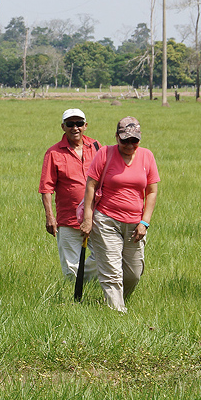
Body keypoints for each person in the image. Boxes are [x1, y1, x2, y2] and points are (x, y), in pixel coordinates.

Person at [80, 117, 159, 313]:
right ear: (117, 137)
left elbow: (152, 191)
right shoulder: (105, 154)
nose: (130, 145)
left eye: (134, 140)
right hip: (106, 220)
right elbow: (90, 186)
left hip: (135, 224)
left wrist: (145, 222)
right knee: (112, 272)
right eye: (125, 140)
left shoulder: (147, 156)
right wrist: (88, 219)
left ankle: (117, 300)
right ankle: (117, 314)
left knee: (133, 274)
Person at [39, 108, 100, 281]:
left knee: (103, 258)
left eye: (79, 123)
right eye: (70, 124)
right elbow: (46, 187)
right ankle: (77, 299)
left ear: (85, 126)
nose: (75, 128)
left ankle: (86, 285)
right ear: (63, 127)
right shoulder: (53, 153)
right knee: (71, 268)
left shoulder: (96, 147)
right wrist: (50, 217)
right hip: (67, 218)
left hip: (96, 215)